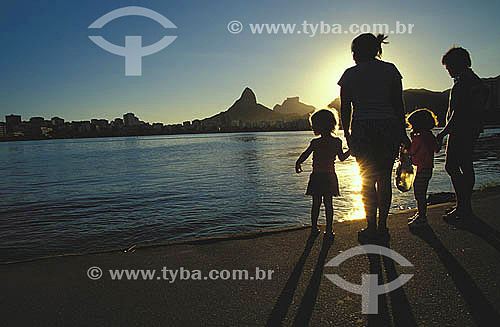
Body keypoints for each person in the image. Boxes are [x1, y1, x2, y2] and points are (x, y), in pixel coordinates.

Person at [338, 33, 410, 242]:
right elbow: (398, 104)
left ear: (356, 51)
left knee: (366, 180)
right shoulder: (391, 70)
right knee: (384, 179)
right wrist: (402, 132)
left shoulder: (349, 74)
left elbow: (345, 107)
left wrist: (347, 133)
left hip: (363, 128)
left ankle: (370, 226)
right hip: (388, 127)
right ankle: (382, 227)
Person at [437, 47, 489, 220]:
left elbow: (457, 113)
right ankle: (464, 205)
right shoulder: (475, 81)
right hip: (472, 129)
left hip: (460, 130)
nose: (448, 71)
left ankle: (463, 207)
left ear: (457, 63)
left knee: (451, 166)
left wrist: (442, 133)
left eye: (449, 67)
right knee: (466, 165)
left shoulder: (463, 83)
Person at [296, 109, 350, 239]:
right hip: (330, 177)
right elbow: (342, 157)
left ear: (318, 126)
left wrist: (298, 162)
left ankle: (314, 228)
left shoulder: (315, 142)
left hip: (317, 177)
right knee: (328, 204)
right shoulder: (337, 142)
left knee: (316, 204)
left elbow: (305, 154)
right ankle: (329, 230)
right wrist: (351, 150)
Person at [406, 109, 440, 227]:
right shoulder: (429, 135)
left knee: (419, 193)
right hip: (427, 168)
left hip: (423, 168)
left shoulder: (420, 137)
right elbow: (437, 149)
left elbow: (412, 151)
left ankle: (422, 217)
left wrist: (411, 139)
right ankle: (420, 214)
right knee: (421, 192)